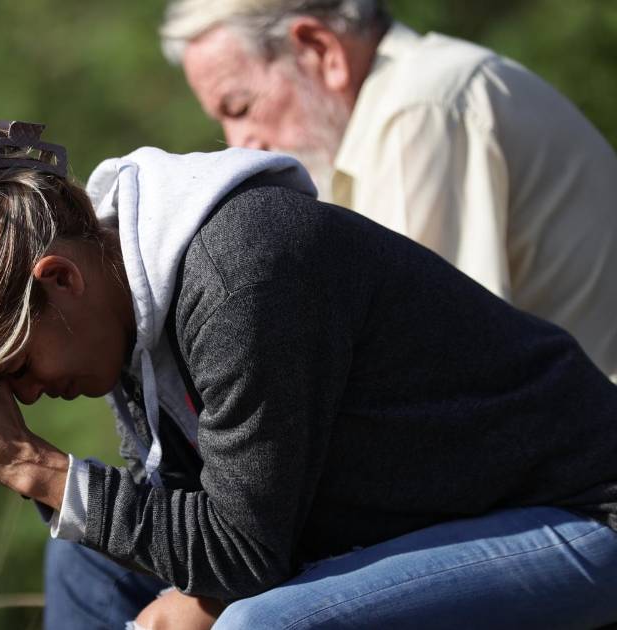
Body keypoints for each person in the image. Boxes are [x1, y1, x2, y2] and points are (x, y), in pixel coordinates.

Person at [0, 118, 617, 628]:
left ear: (61, 280)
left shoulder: (242, 275)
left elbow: (241, 556)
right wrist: (3, 454)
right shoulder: (122, 291)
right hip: (396, 517)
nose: (28, 394)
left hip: (574, 513)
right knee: (83, 567)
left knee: (263, 625)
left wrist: (28, 464)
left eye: (19, 367)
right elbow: (183, 500)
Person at [160, 0, 617, 382]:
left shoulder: (418, 110)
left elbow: (429, 368)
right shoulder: (405, 103)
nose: (240, 144)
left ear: (320, 50)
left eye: (240, 107)